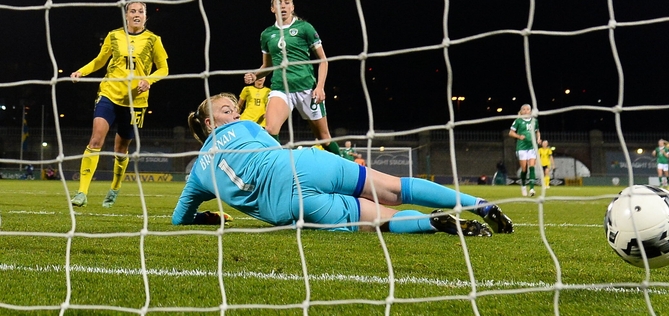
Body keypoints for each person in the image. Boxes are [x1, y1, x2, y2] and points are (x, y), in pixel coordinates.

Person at [172, 93, 514, 236]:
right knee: (395, 189)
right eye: (226, 109)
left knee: (384, 220)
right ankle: (479, 205)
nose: (234, 111)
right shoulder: (246, 127)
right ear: (209, 123)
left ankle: (432, 223)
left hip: (294, 206)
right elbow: (273, 150)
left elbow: (179, 218)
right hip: (306, 163)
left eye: (233, 107)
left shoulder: (199, 171)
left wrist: (208, 216)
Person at [69, 1, 169, 208]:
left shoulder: (153, 40)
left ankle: (114, 188)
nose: (136, 14)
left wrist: (148, 80)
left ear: (145, 17)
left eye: (141, 11)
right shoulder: (113, 36)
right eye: (132, 11)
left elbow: (164, 69)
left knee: (120, 149)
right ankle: (82, 192)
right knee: (96, 139)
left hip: (135, 102)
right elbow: (100, 60)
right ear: (126, 16)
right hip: (109, 94)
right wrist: (81, 71)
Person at [244, 0, 340, 156]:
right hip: (281, 88)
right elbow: (267, 66)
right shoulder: (267, 35)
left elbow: (323, 60)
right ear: (272, 8)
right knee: (270, 128)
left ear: (292, 7)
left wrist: (320, 87)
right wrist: (255, 75)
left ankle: (345, 167)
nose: (283, 6)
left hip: (307, 88)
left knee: (324, 138)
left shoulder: (305, 28)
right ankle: (279, 166)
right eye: (278, 3)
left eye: (287, 2)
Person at [509, 104, 540, 197]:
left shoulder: (535, 121)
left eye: (528, 109)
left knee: (532, 167)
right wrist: (519, 136)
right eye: (524, 109)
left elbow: (537, 131)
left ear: (530, 111)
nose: (526, 111)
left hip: (532, 147)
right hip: (521, 147)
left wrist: (538, 138)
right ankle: (523, 185)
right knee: (524, 169)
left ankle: (531, 188)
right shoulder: (518, 121)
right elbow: (510, 133)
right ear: (521, 111)